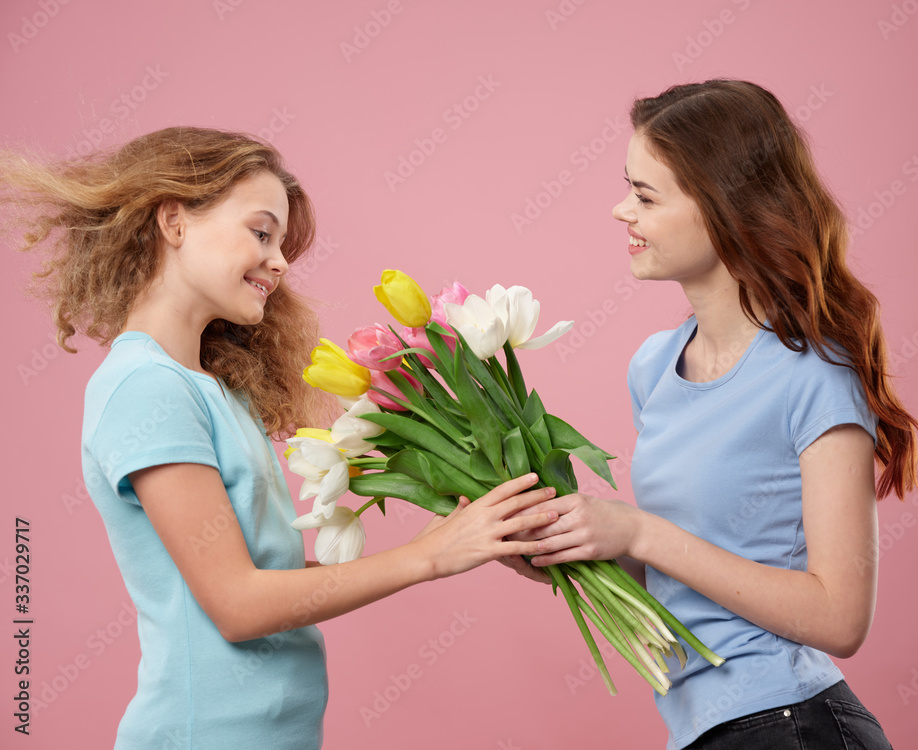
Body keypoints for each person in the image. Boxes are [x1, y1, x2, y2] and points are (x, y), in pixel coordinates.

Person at [2, 127, 558, 749]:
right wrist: (426, 560)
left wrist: (436, 544)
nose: (280, 261)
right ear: (173, 221)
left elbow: (263, 573)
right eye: (261, 233)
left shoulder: (211, 390)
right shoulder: (147, 389)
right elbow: (238, 605)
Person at [507, 80, 918, 749]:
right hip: (705, 731)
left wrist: (640, 533)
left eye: (645, 196)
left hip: (790, 724)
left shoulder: (814, 374)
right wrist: (566, 552)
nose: (621, 211)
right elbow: (677, 580)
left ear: (724, 208)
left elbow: (841, 618)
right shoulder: (655, 366)